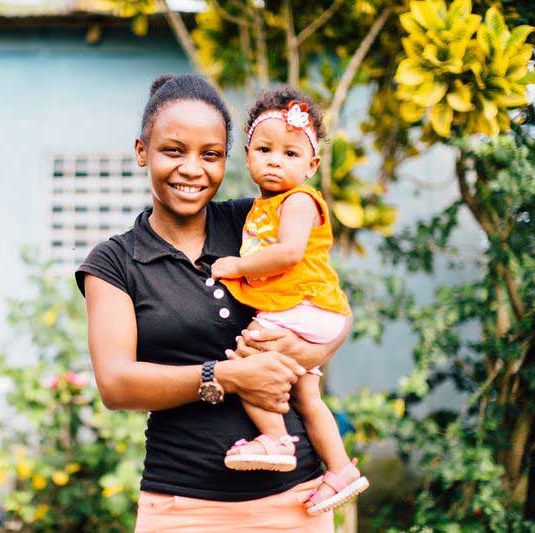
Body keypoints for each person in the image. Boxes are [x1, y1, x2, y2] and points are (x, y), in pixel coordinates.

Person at [75, 74, 351, 532]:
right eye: (173, 151)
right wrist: (229, 376)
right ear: (142, 151)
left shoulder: (256, 223)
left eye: (211, 155)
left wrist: (302, 354)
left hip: (296, 502)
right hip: (182, 505)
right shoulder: (115, 262)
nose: (192, 169)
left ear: (228, 160)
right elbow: (116, 384)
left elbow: (330, 304)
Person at [211, 87, 368, 515]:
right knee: (307, 395)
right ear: (248, 155)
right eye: (265, 150)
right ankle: (339, 470)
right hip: (310, 309)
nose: (276, 160)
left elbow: (289, 253)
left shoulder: (298, 201)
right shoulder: (262, 205)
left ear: (312, 165)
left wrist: (235, 267)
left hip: (306, 305)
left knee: (248, 355)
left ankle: (276, 439)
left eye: (291, 154)